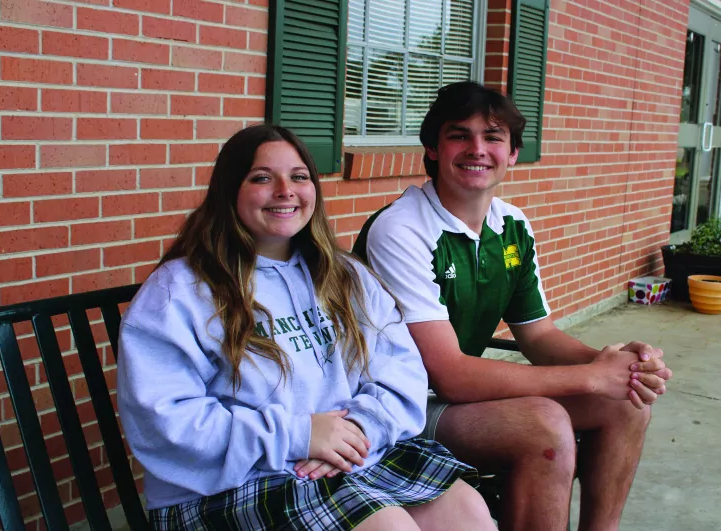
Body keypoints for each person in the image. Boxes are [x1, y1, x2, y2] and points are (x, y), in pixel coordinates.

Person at [117, 124, 496, 531]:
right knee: (389, 527)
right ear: (229, 190)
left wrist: (357, 429)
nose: (285, 191)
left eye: (299, 177)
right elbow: (165, 421)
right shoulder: (181, 291)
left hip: (347, 458)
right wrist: (299, 435)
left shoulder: (345, 275)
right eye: (262, 178)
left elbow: (401, 372)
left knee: (467, 511)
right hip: (226, 485)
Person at [354, 81, 674, 531]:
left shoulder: (512, 225)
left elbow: (539, 336)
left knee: (627, 402)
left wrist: (619, 366)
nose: (477, 149)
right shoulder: (401, 229)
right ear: (433, 148)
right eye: (459, 135)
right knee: (543, 424)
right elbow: (450, 376)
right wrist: (591, 377)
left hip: (456, 398)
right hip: (397, 410)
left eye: (493, 137)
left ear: (513, 153)